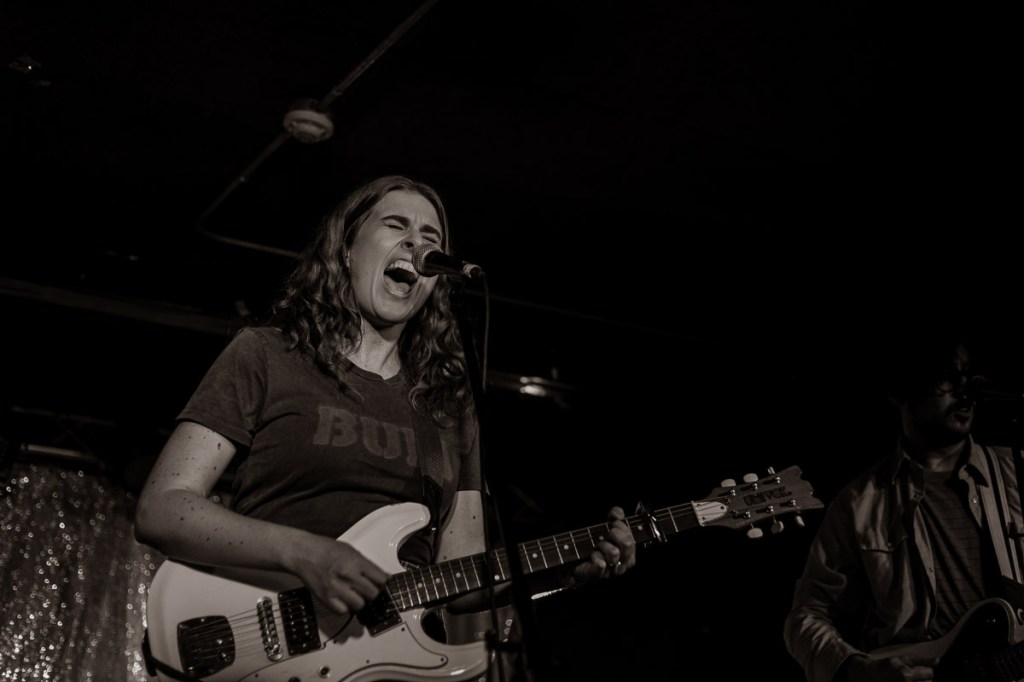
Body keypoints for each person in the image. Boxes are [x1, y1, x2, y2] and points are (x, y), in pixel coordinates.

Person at [132, 174, 637, 680]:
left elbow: (462, 577)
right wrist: (304, 552)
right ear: (346, 249)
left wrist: (567, 571)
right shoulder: (267, 354)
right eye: (397, 225)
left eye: (432, 239)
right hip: (265, 647)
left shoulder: (448, 404)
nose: (418, 245)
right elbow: (162, 508)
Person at [783, 327, 1024, 682]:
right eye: (945, 376)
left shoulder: (1016, 472)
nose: (964, 390)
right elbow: (807, 616)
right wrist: (855, 668)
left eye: (965, 374)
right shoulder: (858, 504)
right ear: (899, 390)